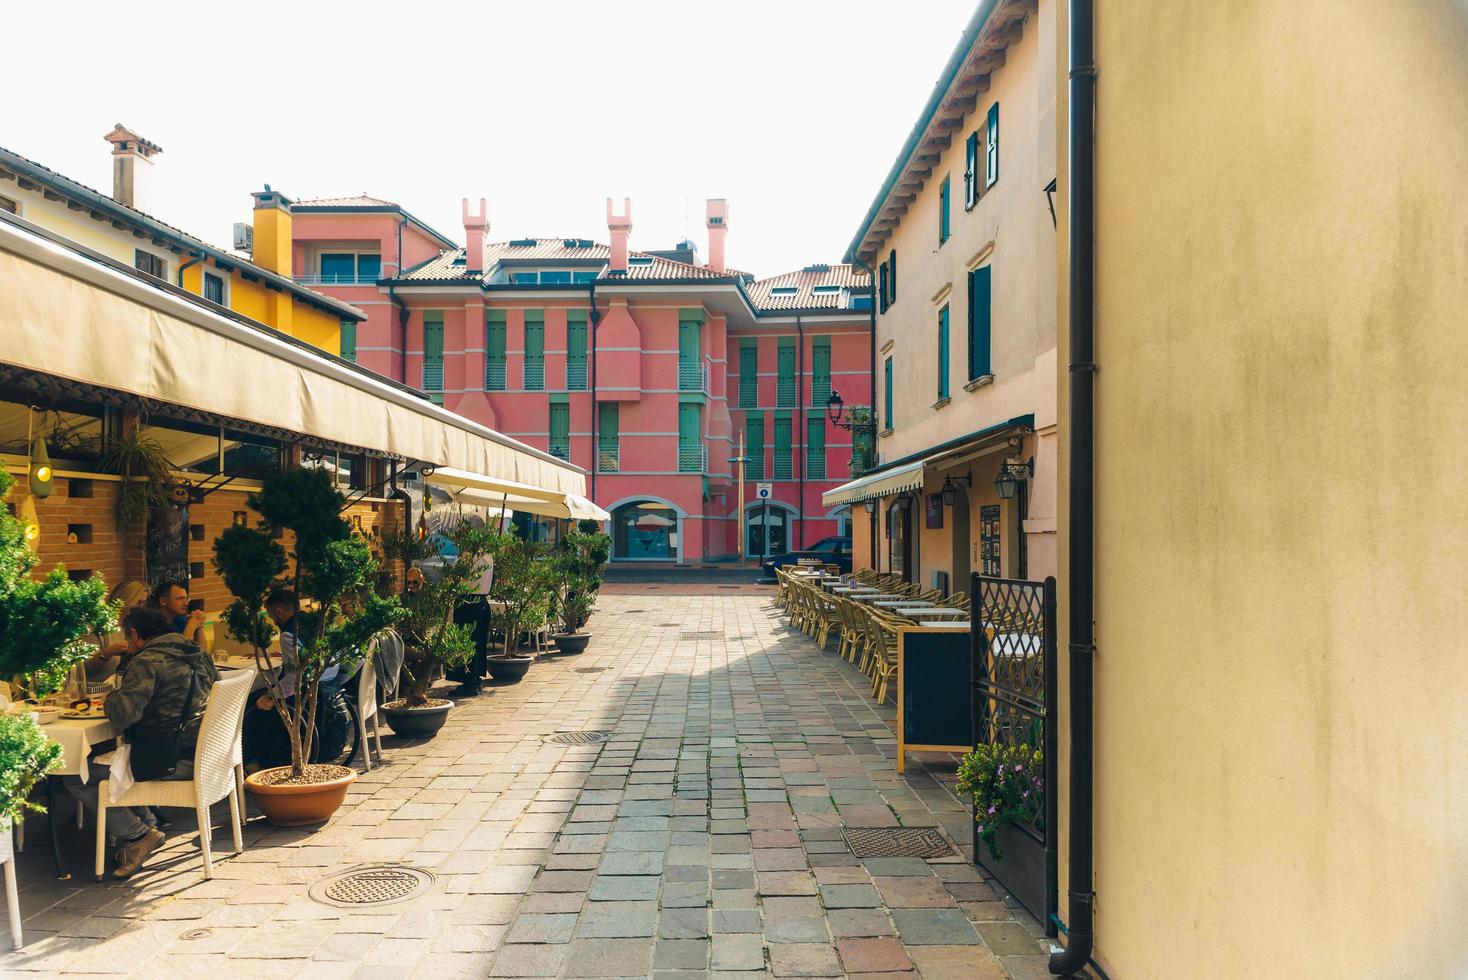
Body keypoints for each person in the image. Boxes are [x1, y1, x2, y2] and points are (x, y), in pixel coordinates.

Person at [62, 606, 218, 879]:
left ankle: (138, 835)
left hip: (168, 761)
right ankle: (147, 824)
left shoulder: (146, 662)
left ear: (134, 634)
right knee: (112, 762)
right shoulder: (198, 655)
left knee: (76, 772)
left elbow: (124, 715)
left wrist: (111, 698)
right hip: (205, 754)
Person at [85, 580, 149, 680]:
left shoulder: (131, 625)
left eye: (143, 603)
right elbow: (86, 668)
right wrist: (109, 652)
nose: (140, 608)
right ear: (126, 599)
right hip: (95, 688)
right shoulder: (97, 626)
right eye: (138, 602)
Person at [148, 580, 206, 647]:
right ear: (163, 601)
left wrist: (198, 625)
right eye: (180, 598)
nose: (186, 603)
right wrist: (191, 625)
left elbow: (204, 653)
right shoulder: (152, 624)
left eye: (186, 599)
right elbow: (179, 652)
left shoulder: (180, 621)